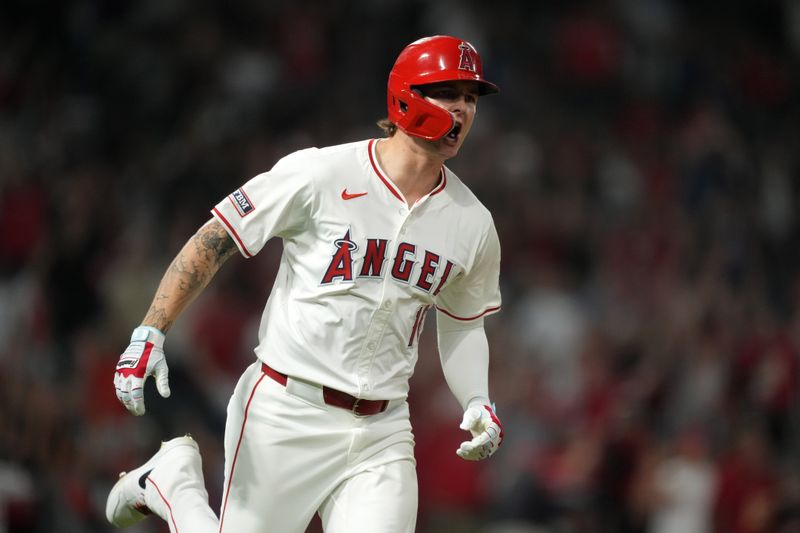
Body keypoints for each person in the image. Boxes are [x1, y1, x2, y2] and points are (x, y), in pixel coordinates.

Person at [107, 35, 504, 533]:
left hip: (382, 433)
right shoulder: (320, 173)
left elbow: (463, 324)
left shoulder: (472, 222)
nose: (463, 110)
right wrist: (151, 330)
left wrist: (476, 399)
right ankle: (172, 483)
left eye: (471, 98)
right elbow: (217, 238)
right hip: (285, 411)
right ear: (407, 95)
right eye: (450, 93)